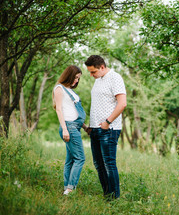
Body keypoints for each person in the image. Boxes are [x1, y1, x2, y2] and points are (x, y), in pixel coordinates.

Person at [84, 55, 127, 200]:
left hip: (109, 129)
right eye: (90, 72)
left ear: (102, 67)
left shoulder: (115, 78)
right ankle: (107, 196)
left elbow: (122, 104)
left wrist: (107, 122)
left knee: (109, 164)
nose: (91, 75)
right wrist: (91, 125)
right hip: (95, 129)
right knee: (98, 164)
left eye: (93, 72)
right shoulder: (98, 80)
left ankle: (115, 198)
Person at [53, 65, 88, 195]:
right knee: (80, 158)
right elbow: (59, 109)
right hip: (69, 127)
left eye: (78, 79)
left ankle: (66, 188)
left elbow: (73, 111)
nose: (77, 81)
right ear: (69, 75)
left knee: (71, 159)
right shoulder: (59, 88)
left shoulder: (70, 91)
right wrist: (65, 129)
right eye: (75, 77)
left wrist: (84, 127)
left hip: (75, 127)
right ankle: (70, 188)